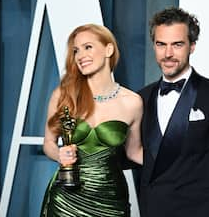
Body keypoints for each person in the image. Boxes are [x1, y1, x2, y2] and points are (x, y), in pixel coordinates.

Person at [138, 7, 209, 217]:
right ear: (154, 46)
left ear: (192, 46)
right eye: (161, 44)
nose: (168, 54)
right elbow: (135, 157)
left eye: (177, 45)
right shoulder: (140, 98)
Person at [40, 24, 143, 217]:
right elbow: (48, 143)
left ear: (108, 49)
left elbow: (134, 152)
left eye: (88, 47)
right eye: (76, 50)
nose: (80, 55)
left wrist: (179, 166)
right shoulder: (64, 95)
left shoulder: (132, 102)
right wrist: (59, 155)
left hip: (110, 200)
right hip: (66, 198)